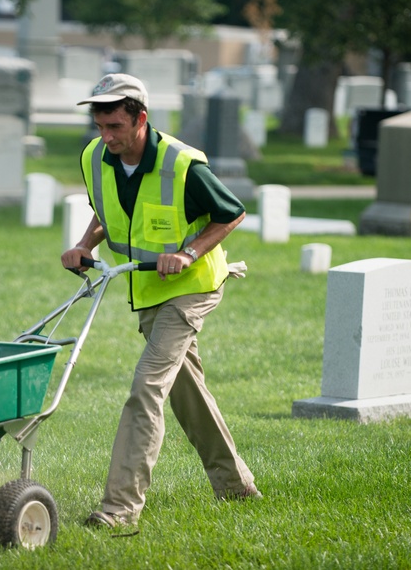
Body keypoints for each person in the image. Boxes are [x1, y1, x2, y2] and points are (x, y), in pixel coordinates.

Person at [61, 73, 259, 530]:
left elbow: (232, 213)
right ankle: (235, 486)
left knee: (147, 387)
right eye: (100, 126)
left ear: (140, 118)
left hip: (192, 288)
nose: (106, 136)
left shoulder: (182, 163)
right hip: (147, 290)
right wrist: (85, 244)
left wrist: (188, 253)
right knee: (187, 392)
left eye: (114, 126)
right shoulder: (96, 157)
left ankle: (119, 508)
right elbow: (108, 212)